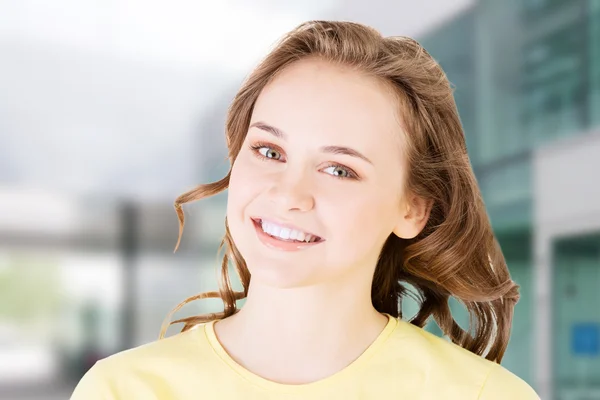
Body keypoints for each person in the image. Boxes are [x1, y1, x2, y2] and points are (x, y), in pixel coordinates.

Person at [70, 20, 540, 399]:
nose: (289, 193)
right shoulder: (122, 390)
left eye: (339, 170)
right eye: (269, 151)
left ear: (413, 209)